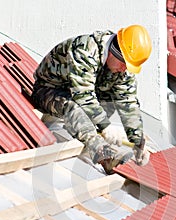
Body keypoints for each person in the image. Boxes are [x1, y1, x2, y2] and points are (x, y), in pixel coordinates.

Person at [31, 24, 152, 174]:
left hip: (83, 96)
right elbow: (83, 95)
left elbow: (128, 102)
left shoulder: (121, 65)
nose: (124, 69)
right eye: (124, 64)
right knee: (73, 108)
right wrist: (105, 126)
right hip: (50, 90)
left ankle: (88, 131)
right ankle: (105, 156)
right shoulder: (85, 49)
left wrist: (138, 141)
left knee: (109, 97)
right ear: (115, 52)